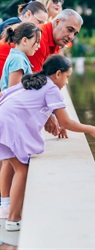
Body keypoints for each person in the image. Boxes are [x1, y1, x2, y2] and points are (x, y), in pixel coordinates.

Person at [0, 54, 95, 231]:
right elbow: (67, 122)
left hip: (3, 121)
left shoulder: (34, 81)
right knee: (22, 170)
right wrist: (91, 129)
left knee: (13, 165)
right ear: (58, 73)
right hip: (9, 126)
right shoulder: (51, 89)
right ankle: (14, 218)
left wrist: (52, 118)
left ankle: (7, 210)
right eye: (67, 77)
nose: (67, 82)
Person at [0, 22, 42, 220]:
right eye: (36, 42)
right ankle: (10, 211)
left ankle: (6, 205)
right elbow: (13, 92)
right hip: (11, 120)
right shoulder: (18, 60)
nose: (39, 46)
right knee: (17, 167)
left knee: (8, 162)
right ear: (24, 40)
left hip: (7, 118)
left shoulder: (16, 56)